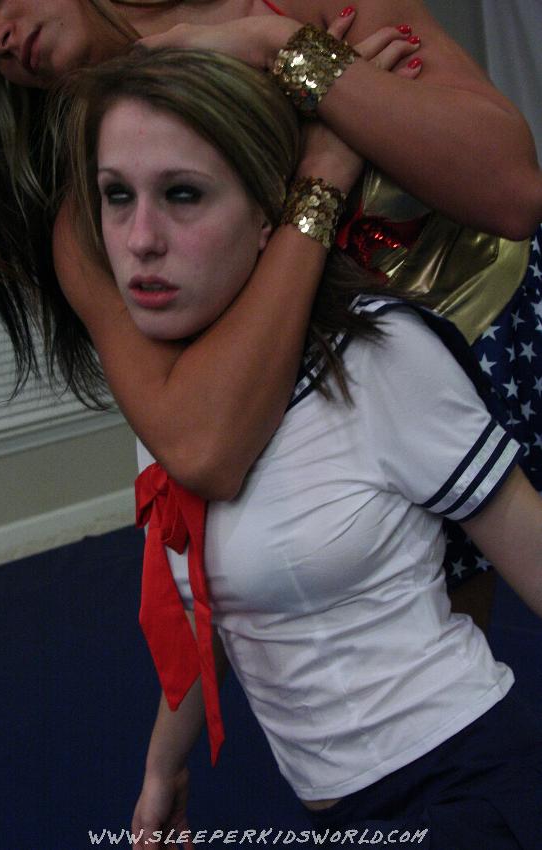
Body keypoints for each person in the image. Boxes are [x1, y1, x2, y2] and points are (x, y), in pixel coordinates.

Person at [59, 45, 542, 846]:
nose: (139, 239)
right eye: (117, 195)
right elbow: (212, 611)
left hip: (467, 782)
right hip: (340, 813)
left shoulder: (376, 360)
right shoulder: (171, 401)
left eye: (182, 194)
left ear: (267, 216)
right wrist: (161, 772)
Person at [0, 3, 540, 619]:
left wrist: (277, 44)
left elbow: (514, 193)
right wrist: (325, 169)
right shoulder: (91, 215)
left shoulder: (312, 8)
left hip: (514, 331)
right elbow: (203, 450)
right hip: (361, 425)